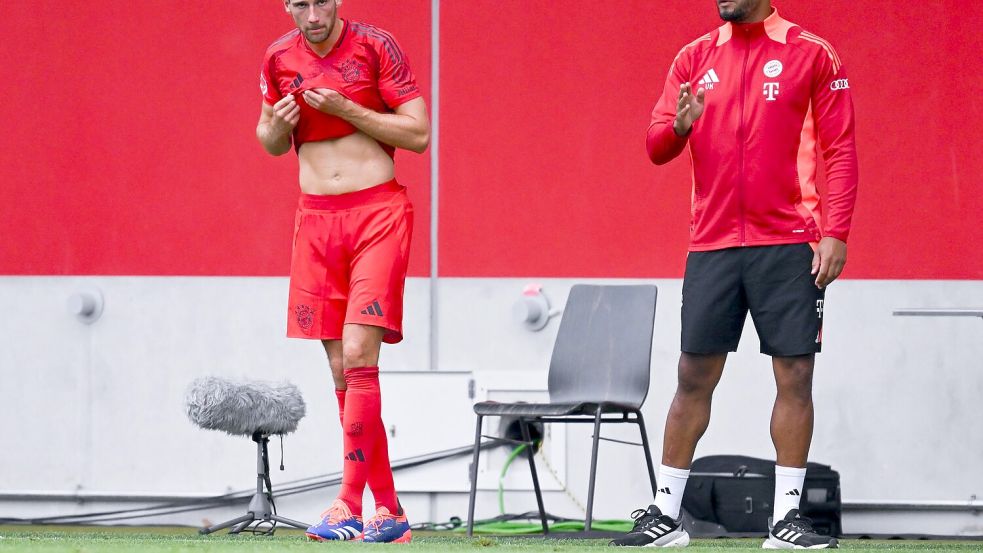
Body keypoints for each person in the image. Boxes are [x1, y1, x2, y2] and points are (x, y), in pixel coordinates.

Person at [611, 0, 857, 549]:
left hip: (790, 241)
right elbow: (656, 147)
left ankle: (787, 519)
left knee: (794, 375)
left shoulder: (812, 54)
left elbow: (840, 149)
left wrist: (835, 231)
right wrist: (679, 125)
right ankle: (665, 516)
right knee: (692, 374)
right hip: (713, 243)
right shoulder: (694, 57)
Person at [255, 0, 430, 543]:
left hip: (377, 212)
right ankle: (390, 511)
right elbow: (268, 141)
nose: (313, 15)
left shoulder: (376, 46)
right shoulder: (278, 58)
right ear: (287, 7)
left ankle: (348, 504)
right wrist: (277, 126)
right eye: (300, 4)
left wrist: (351, 109)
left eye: (322, 1)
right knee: (340, 370)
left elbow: (418, 134)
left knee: (358, 354)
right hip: (314, 221)